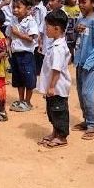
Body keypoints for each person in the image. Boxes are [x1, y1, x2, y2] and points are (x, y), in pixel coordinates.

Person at [35, 10, 72, 148]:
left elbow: (56, 69)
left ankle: (62, 137)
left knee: (59, 111)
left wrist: (51, 87)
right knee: (52, 111)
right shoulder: (55, 44)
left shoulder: (59, 48)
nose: (46, 30)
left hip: (57, 87)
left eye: (47, 27)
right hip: (52, 87)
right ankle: (55, 132)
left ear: (56, 28)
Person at [73, 0, 94, 140]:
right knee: (80, 92)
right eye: (79, 2)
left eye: (84, 2)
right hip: (79, 61)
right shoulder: (81, 19)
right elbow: (77, 38)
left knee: (87, 93)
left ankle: (92, 124)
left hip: (89, 64)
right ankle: (86, 120)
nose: (81, 5)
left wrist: (90, 62)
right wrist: (75, 30)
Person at [7, 0, 40, 112]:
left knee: (28, 78)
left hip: (26, 54)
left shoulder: (31, 21)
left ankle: (28, 101)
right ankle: (21, 100)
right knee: (18, 78)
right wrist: (8, 45)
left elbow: (31, 38)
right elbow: (9, 35)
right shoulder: (13, 20)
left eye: (18, 7)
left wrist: (18, 34)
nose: (15, 10)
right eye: (13, 7)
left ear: (28, 9)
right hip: (15, 54)